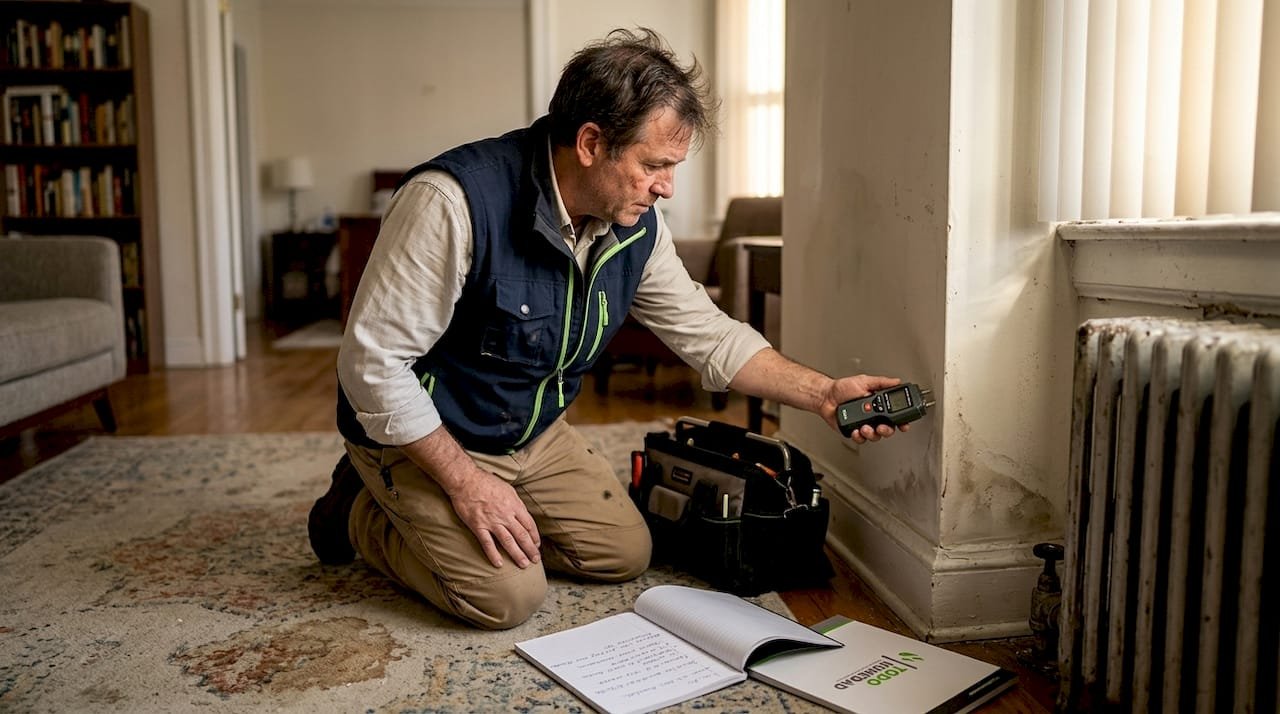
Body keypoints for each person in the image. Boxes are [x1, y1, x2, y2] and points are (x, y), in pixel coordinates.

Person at [310, 28, 907, 630]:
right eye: (654, 165)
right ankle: (360, 510)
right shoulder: (451, 201)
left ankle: (468, 510)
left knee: (625, 554)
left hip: (532, 430)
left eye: (673, 167)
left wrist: (825, 394)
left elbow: (709, 334)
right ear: (591, 142)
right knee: (506, 597)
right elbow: (372, 366)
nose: (666, 186)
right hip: (437, 435)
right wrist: (466, 484)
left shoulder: (637, 224)